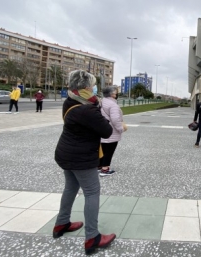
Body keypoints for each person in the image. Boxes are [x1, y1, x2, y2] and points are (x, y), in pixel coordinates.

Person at [54, 70, 116, 255]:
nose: (94, 88)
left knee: (70, 188)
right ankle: (92, 237)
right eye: (92, 85)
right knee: (92, 192)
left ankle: (61, 223)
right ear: (86, 88)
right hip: (80, 157)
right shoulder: (87, 109)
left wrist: (94, 105)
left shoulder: (70, 101)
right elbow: (106, 131)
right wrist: (97, 108)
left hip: (66, 153)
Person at [99, 86, 127, 176]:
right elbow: (115, 119)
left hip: (102, 129)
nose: (116, 94)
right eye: (116, 93)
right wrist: (121, 129)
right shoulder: (113, 105)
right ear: (112, 94)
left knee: (102, 150)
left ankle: (99, 166)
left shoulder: (101, 102)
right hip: (112, 131)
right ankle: (105, 169)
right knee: (109, 151)